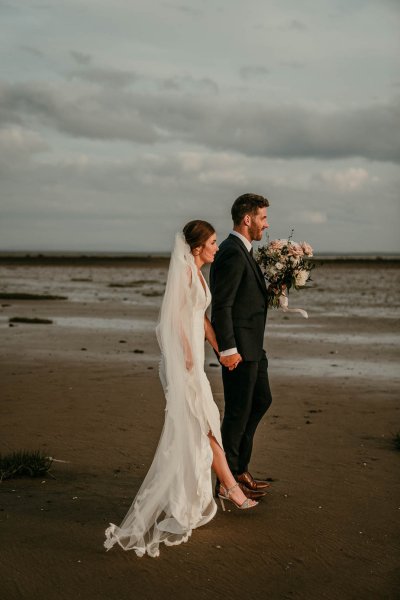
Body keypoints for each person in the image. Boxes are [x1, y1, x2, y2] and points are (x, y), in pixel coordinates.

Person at [104, 220, 257, 558]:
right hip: (181, 366)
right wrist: (187, 352)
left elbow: (200, 317)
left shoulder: (198, 273)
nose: (218, 247)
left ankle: (203, 491)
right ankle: (231, 488)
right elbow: (172, 318)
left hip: (192, 364)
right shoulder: (187, 273)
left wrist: (220, 349)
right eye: (214, 242)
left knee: (202, 426)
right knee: (202, 425)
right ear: (198, 246)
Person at [210, 194, 273, 500]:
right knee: (237, 413)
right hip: (239, 350)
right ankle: (228, 480)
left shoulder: (244, 250)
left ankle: (238, 468)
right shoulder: (231, 252)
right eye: (262, 217)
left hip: (253, 348)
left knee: (261, 400)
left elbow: (246, 297)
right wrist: (227, 349)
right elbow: (222, 306)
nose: (266, 223)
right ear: (247, 219)